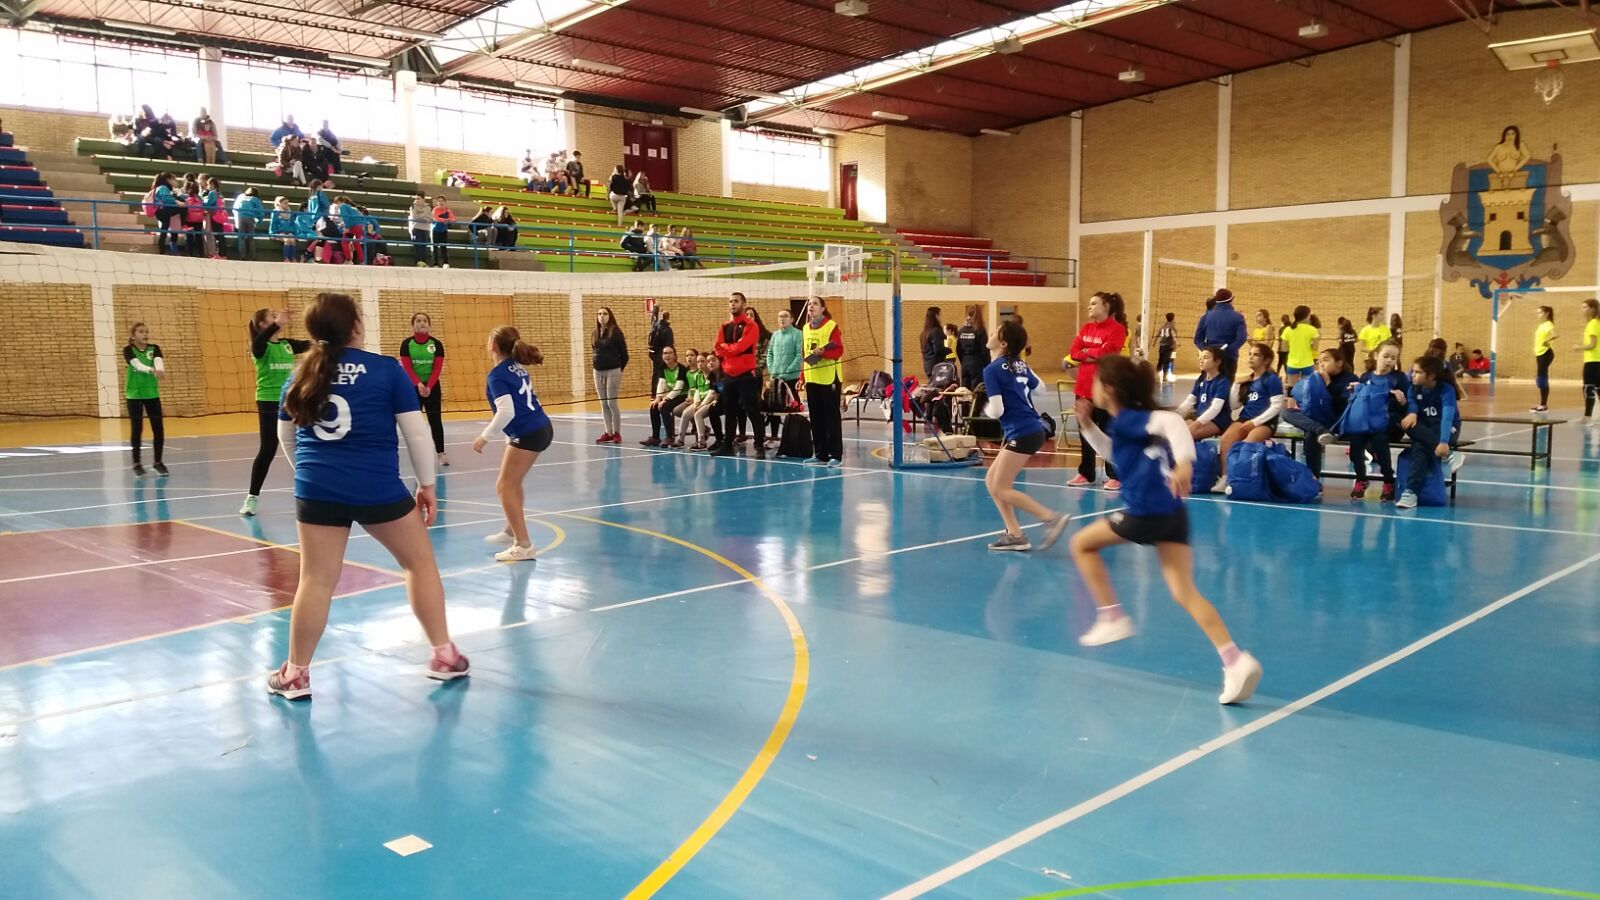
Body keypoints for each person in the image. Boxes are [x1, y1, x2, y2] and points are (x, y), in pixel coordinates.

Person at [266, 292, 467, 699]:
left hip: (317, 491)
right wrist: (427, 485)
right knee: (419, 564)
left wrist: (306, 472)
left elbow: (284, 433)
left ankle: (295, 674)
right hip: (377, 489)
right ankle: (444, 656)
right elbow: (417, 433)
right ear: (356, 326)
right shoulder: (385, 370)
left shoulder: (300, 372)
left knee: (316, 580)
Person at [1068, 354, 1262, 705]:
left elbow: (1172, 423)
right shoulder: (1126, 426)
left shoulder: (1132, 419)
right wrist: (1088, 427)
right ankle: (1235, 661)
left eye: (1095, 380)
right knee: (1183, 591)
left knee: (1081, 544)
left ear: (1108, 389)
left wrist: (1185, 464)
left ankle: (1111, 615)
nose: (1090, 386)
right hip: (1173, 514)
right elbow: (1115, 455)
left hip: (1145, 512)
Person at [983, 320, 1070, 552]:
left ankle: (1050, 518)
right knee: (991, 481)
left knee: (1001, 487)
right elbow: (1040, 388)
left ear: (1003, 343)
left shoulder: (992, 370)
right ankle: (1015, 534)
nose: (990, 334)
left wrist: (986, 409)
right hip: (1032, 429)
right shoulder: (1019, 365)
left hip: (1022, 432)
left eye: (995, 332)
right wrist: (1021, 372)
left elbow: (997, 410)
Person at [474, 327, 551, 563]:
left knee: (504, 486)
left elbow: (507, 411)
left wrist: (484, 437)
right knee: (512, 483)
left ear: (493, 346)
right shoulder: (516, 367)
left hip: (529, 432)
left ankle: (523, 545)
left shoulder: (497, 375)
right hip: (538, 426)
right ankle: (511, 529)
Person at [241, 309, 311, 516]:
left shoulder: (286, 344)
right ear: (262, 324)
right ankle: (252, 497)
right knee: (268, 448)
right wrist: (278, 323)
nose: (276, 317)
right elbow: (258, 343)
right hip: (269, 401)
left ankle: (312, 488)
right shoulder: (259, 346)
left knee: (306, 444)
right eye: (271, 316)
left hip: (292, 400)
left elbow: (311, 345)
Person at [1330, 341, 1411, 501]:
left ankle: (1388, 480)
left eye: (1393, 358)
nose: (1389, 361)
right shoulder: (1366, 377)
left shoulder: (1399, 378)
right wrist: (1355, 391)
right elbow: (1362, 399)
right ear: (1376, 355)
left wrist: (1403, 401)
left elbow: (1407, 406)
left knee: (1379, 443)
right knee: (1355, 446)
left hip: (1389, 424)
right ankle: (1361, 479)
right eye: (1386, 356)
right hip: (1365, 422)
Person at [1063, 291, 1128, 489]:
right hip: (1083, 388)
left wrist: (1086, 352)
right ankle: (1086, 473)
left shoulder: (1118, 329)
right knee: (1085, 431)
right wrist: (1090, 354)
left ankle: (1115, 474)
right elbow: (1074, 352)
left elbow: (1108, 353)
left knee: (1109, 431)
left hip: (1105, 390)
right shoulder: (1086, 328)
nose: (1089, 307)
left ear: (1105, 307)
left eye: (1093, 303)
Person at [1212, 342, 1285, 492]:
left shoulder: (1271, 379)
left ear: (1266, 360)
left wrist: (1255, 422)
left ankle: (1241, 480)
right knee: (1226, 440)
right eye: (1250, 354)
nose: (1251, 357)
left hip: (1265, 423)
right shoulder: (1248, 380)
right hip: (1244, 419)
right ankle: (1226, 477)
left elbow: (1277, 406)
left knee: (1248, 443)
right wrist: (1236, 385)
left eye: (1256, 355)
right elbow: (1234, 405)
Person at [1395, 354, 1461, 510]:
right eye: (1412, 371)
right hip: (1426, 429)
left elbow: (1447, 418)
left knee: (1419, 447)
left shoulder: (1446, 390)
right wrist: (1412, 412)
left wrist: (1444, 442)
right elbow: (1412, 404)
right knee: (1407, 424)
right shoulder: (1413, 388)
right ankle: (1451, 456)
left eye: (1417, 372)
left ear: (1431, 376)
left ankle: (1411, 492)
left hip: (1448, 428)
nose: (1412, 375)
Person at [1281, 349, 1356, 485]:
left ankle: (1313, 478)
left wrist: (1328, 384)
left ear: (1339, 363)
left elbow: (1343, 405)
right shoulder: (1315, 378)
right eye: (1319, 361)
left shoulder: (1350, 379)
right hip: (1318, 421)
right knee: (1287, 413)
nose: (1321, 364)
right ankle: (1320, 431)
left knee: (1311, 433)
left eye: (1326, 360)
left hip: (1337, 422)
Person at [711, 292, 766, 458]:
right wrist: (730, 349)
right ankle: (727, 445)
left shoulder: (751, 325)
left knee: (752, 411)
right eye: (730, 301)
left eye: (736, 301)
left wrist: (727, 348)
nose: (732, 304)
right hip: (729, 375)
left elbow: (741, 347)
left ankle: (759, 446)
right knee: (729, 412)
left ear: (743, 304)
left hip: (746, 375)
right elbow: (717, 348)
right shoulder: (724, 326)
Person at [399, 313, 449, 469]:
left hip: (432, 387)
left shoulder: (436, 344)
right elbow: (407, 368)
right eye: (418, 321)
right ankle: (418, 454)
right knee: (415, 423)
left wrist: (429, 386)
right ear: (413, 325)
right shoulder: (407, 344)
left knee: (435, 421)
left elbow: (437, 368)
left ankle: (441, 453)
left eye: (425, 321)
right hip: (413, 387)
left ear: (429, 324)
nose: (422, 323)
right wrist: (419, 384)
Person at [802, 296, 845, 466]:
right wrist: (802, 376)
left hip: (829, 378)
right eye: (809, 304)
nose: (811, 306)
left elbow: (839, 351)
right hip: (812, 377)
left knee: (831, 417)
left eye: (815, 303)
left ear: (822, 308)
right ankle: (820, 454)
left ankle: (835, 455)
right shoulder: (805, 328)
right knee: (816, 417)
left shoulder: (831, 326)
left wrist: (824, 353)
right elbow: (804, 353)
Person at [123, 322, 167, 477]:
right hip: (134, 395)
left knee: (158, 428)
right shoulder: (128, 350)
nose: (145, 334)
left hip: (151, 393)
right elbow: (137, 365)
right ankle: (137, 463)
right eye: (141, 332)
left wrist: (159, 370)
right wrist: (152, 370)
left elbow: (158, 361)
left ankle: (158, 462)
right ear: (133, 335)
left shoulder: (154, 348)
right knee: (137, 428)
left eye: (146, 332)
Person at [1174, 347, 1232, 440]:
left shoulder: (1222, 382)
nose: (1201, 361)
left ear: (1217, 362)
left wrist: (1197, 424)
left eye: (1205, 358)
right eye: (1200, 358)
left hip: (1217, 421)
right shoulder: (1201, 379)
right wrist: (1175, 414)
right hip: (1200, 418)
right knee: (1176, 430)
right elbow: (1189, 401)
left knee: (1186, 435)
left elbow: (1215, 408)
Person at [1192, 287, 1248, 381]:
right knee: (1225, 385)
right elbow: (1242, 337)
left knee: (1207, 385)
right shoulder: (1238, 317)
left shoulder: (1206, 317)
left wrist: (1206, 350)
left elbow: (1197, 339)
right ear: (1231, 300)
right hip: (1229, 357)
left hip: (1210, 357)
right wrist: (1230, 349)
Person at [766, 309, 803, 445]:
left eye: (785, 316)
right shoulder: (775, 335)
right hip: (775, 378)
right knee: (773, 407)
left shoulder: (798, 334)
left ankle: (795, 438)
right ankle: (774, 438)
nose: (782, 319)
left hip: (791, 379)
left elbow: (799, 356)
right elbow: (769, 354)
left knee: (793, 408)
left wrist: (786, 372)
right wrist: (772, 370)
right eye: (780, 316)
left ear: (792, 319)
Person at [591, 307, 628, 443]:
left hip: (613, 370)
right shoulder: (595, 333)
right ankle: (608, 432)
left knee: (611, 402)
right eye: (599, 314)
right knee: (603, 403)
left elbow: (625, 355)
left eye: (605, 314)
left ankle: (617, 433)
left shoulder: (616, 332)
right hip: (597, 371)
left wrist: (618, 369)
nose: (602, 316)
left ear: (610, 316)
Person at [642, 346, 688, 446]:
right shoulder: (662, 367)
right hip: (670, 396)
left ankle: (669, 437)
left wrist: (665, 399)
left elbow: (678, 388)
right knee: (654, 406)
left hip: (682, 396)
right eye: (665, 353)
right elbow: (661, 384)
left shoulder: (681, 369)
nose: (667, 355)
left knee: (664, 407)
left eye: (670, 353)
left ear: (675, 355)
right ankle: (655, 438)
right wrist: (658, 398)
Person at [1280, 305, 1319, 388]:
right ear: (1306, 316)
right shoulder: (1312, 329)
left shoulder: (1287, 330)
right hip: (1308, 363)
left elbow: (1284, 349)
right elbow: (1315, 348)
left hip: (1292, 364)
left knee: (1292, 389)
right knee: (1307, 389)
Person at [956, 305, 990, 392]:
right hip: (977, 362)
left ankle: (965, 402)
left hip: (965, 362)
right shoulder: (980, 330)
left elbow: (958, 349)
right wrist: (987, 365)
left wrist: (963, 361)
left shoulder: (961, 330)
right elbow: (985, 350)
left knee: (964, 391)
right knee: (977, 391)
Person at [1579, 299, 1600, 425]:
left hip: (1592, 361)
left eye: (1585, 307)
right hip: (1597, 360)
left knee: (1588, 388)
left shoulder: (1592, 324)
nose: (1582, 310)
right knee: (1598, 388)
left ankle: (1587, 417)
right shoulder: (1597, 323)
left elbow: (1592, 345)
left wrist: (1579, 347)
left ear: (1592, 309)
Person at [1532, 305, 1557, 412]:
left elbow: (1555, 335)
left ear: (1546, 314)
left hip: (1545, 353)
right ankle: (1542, 404)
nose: (1538, 315)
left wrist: (1547, 341)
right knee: (1541, 379)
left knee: (1542, 379)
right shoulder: (1541, 325)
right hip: (1540, 353)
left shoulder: (1548, 324)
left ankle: (1543, 405)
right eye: (1537, 313)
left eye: (1540, 313)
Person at [233, 187, 264, 259]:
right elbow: (261, 212)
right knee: (251, 239)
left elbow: (235, 208)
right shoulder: (255, 199)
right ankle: (253, 257)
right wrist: (258, 221)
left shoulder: (240, 197)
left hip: (240, 217)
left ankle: (242, 257)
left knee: (241, 238)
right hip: (250, 218)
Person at [648, 305, 674, 388]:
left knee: (655, 372)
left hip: (653, 354)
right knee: (663, 374)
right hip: (663, 355)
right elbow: (669, 345)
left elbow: (653, 318)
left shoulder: (654, 325)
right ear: (668, 318)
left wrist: (655, 308)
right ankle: (661, 390)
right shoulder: (667, 329)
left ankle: (654, 391)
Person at [920, 306, 946, 378]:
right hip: (936, 365)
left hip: (927, 364)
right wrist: (949, 350)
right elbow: (938, 349)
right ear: (936, 316)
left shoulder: (924, 332)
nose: (941, 318)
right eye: (940, 315)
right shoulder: (936, 331)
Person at [430, 196, 455, 267]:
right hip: (435, 230)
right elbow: (435, 218)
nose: (441, 202)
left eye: (442, 201)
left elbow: (453, 219)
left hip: (444, 231)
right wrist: (446, 220)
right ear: (437, 203)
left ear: (445, 202)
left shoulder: (448, 210)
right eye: (439, 201)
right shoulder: (435, 209)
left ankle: (445, 263)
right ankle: (435, 264)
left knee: (444, 247)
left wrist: (448, 220)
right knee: (435, 248)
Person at [1155, 312, 1177, 383]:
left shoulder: (1163, 326)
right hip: (1168, 346)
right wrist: (1177, 343)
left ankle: (1156, 376)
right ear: (1173, 318)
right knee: (1166, 361)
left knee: (1160, 361)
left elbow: (1157, 334)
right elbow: (1173, 335)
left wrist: (1154, 342)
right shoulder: (1171, 326)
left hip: (1161, 346)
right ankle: (1164, 377)